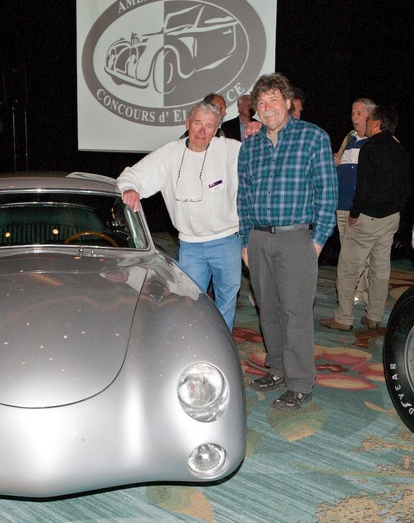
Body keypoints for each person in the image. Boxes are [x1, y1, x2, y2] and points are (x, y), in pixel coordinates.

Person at [237, 73, 337, 410]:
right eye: (261, 104)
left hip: (297, 239)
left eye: (273, 101)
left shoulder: (313, 137)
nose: (267, 108)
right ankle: (277, 369)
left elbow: (328, 192)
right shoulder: (250, 145)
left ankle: (299, 382)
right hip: (259, 238)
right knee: (267, 310)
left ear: (289, 102)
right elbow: (244, 195)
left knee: (295, 313)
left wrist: (318, 240)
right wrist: (244, 240)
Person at [118, 100, 242, 329]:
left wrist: (257, 130)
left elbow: (262, 154)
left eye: (209, 126)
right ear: (187, 123)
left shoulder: (230, 150)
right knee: (189, 302)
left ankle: (221, 348)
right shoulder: (170, 153)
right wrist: (129, 189)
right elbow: (129, 176)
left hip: (227, 242)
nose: (202, 131)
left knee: (226, 303)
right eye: (197, 123)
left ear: (216, 130)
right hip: (191, 246)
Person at [320, 106, 410, 332]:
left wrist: (354, 213)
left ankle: (343, 318)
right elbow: (407, 187)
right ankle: (374, 316)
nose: (367, 124)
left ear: (377, 123)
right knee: (380, 269)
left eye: (369, 120)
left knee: (349, 268)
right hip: (391, 219)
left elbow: (364, 187)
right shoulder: (401, 150)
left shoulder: (370, 148)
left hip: (367, 218)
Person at [334, 98, 376, 305]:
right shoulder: (349, 138)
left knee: (363, 253)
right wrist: (335, 161)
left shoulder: (374, 142)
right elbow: (339, 161)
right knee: (347, 252)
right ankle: (349, 292)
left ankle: (363, 292)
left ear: (370, 116)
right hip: (342, 205)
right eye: (353, 113)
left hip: (359, 208)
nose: (354, 117)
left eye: (359, 113)